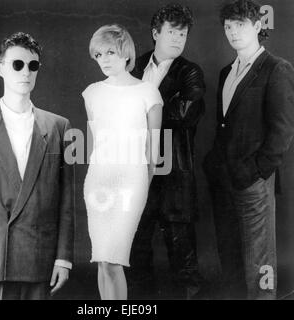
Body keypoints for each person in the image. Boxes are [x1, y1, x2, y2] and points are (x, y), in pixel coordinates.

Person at [0, 32, 75, 300]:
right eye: (17, 64)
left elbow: (66, 201)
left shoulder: (58, 126)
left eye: (33, 65)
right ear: (1, 69)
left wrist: (63, 258)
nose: (25, 72)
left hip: (40, 258)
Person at [203, 0, 294, 299]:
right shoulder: (226, 71)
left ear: (257, 26)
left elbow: (282, 132)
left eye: (240, 24)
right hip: (223, 179)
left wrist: (256, 172)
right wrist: (214, 165)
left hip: (253, 180)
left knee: (259, 259)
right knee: (229, 256)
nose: (232, 32)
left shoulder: (276, 68)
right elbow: (224, 127)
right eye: (228, 26)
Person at [128, 4, 206, 299]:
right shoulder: (134, 66)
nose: (178, 39)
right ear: (155, 33)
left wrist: (139, 108)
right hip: (137, 176)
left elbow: (185, 112)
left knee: (183, 262)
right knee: (136, 257)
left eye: (183, 34)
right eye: (172, 32)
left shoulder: (191, 72)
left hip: (174, 178)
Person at [82, 24, 163, 300]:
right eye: (99, 54)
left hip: (131, 181)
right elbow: (95, 143)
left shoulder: (148, 92)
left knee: (114, 259)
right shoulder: (91, 93)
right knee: (102, 259)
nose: (104, 59)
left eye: (111, 52)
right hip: (98, 181)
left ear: (126, 54)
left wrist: (143, 182)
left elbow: (154, 149)